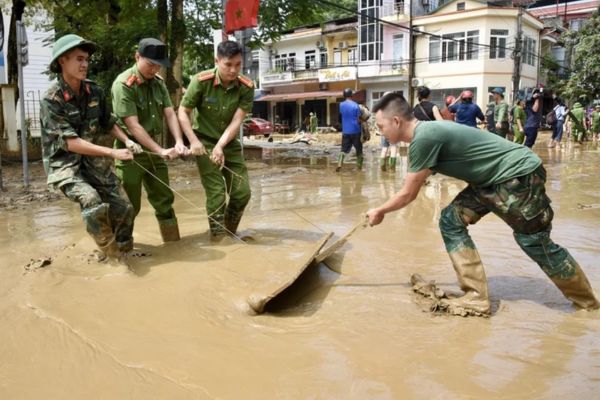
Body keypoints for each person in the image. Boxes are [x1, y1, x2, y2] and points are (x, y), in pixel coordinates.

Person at [366, 92, 599, 315]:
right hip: (488, 181)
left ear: (396, 121)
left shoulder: (424, 138)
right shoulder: (427, 133)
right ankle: (476, 296)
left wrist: (380, 210)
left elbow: (408, 194)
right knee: (450, 220)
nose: (380, 132)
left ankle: (589, 305)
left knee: (534, 240)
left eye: (381, 126)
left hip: (516, 175)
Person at [40, 34, 135, 260]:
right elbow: (71, 143)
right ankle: (112, 257)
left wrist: (128, 140)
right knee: (91, 200)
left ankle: (126, 252)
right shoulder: (51, 99)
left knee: (124, 206)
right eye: (79, 59)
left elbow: (108, 122)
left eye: (87, 60)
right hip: (64, 165)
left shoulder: (95, 91)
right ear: (62, 61)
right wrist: (113, 152)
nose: (84, 65)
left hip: (92, 162)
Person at [111, 38, 187, 243]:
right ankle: (121, 250)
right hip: (131, 153)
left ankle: (173, 245)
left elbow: (170, 113)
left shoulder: (158, 83)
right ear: (137, 57)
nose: (154, 69)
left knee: (165, 201)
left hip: (155, 150)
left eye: (158, 65)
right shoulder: (123, 85)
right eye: (150, 64)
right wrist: (161, 150)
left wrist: (179, 141)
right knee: (128, 206)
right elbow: (134, 126)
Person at [178, 40, 253, 240]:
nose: (233, 70)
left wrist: (221, 146)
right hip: (203, 142)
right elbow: (183, 112)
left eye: (238, 64)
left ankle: (230, 231)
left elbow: (237, 120)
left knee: (242, 192)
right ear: (217, 61)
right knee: (217, 193)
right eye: (228, 65)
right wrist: (193, 141)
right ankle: (219, 239)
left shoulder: (246, 86)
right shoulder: (201, 81)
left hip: (228, 142)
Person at [336, 88, 363, 172]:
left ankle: (339, 164)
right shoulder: (356, 105)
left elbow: (340, 118)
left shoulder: (341, 105)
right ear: (352, 95)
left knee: (343, 150)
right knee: (359, 150)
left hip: (346, 131)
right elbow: (358, 120)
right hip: (356, 131)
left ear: (344, 95)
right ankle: (359, 168)